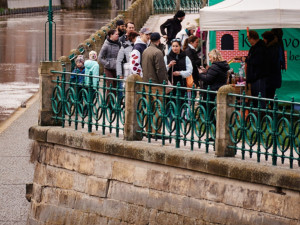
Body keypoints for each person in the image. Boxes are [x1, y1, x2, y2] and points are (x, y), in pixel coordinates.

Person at [142, 32, 168, 136]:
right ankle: (156, 130)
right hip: (156, 84)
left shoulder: (145, 51)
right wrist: (164, 83)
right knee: (159, 107)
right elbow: (160, 70)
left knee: (149, 107)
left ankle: (148, 129)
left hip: (146, 82)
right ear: (158, 40)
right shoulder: (157, 53)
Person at [244, 30, 267, 99]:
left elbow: (257, 61)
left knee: (259, 99)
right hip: (254, 77)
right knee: (255, 99)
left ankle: (260, 110)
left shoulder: (260, 47)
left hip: (258, 77)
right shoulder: (254, 48)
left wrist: (245, 59)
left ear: (253, 38)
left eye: (249, 39)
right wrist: (243, 58)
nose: (249, 41)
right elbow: (252, 58)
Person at [262, 31, 281, 99]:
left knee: (269, 95)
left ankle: (269, 107)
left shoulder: (271, 48)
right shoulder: (274, 47)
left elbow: (269, 63)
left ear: (268, 39)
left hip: (270, 77)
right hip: (272, 77)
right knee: (270, 95)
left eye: (264, 38)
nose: (263, 40)